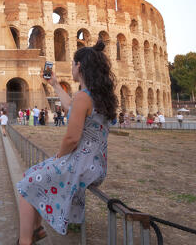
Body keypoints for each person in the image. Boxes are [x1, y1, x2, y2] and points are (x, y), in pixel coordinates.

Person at [16, 40, 118, 243]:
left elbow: (71, 138)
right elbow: (71, 106)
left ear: (79, 66)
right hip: (96, 165)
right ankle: (36, 230)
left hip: (80, 164)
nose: (71, 68)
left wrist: (59, 156)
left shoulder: (83, 97)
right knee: (33, 174)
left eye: (72, 64)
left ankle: (25, 240)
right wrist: (54, 84)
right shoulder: (97, 96)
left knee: (25, 185)